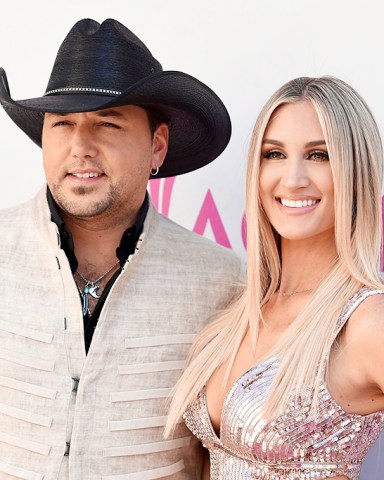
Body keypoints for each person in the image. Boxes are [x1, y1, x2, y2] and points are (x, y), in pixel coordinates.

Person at [0, 18, 244, 480]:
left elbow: (220, 455)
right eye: (63, 123)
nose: (80, 146)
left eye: (107, 123)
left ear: (156, 147)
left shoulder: (221, 281)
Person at [166, 76, 384, 480]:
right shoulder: (240, 311)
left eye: (319, 155)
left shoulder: (368, 321)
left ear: (356, 169)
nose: (293, 178)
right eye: (274, 154)